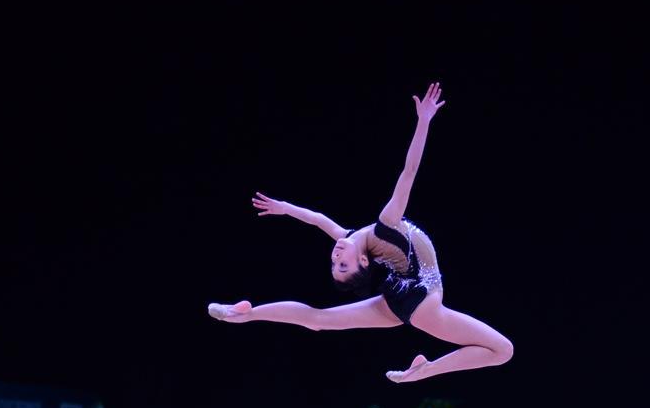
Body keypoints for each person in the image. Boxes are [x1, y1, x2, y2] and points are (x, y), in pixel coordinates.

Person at [208, 82, 513, 383]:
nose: (335, 256)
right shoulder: (386, 224)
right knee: (502, 350)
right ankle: (427, 370)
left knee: (319, 321)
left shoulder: (351, 236)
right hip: (423, 300)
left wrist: (285, 207)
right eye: (343, 265)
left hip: (400, 300)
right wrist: (423, 122)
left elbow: (317, 219)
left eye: (334, 263)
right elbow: (409, 172)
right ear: (364, 262)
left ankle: (246, 314)